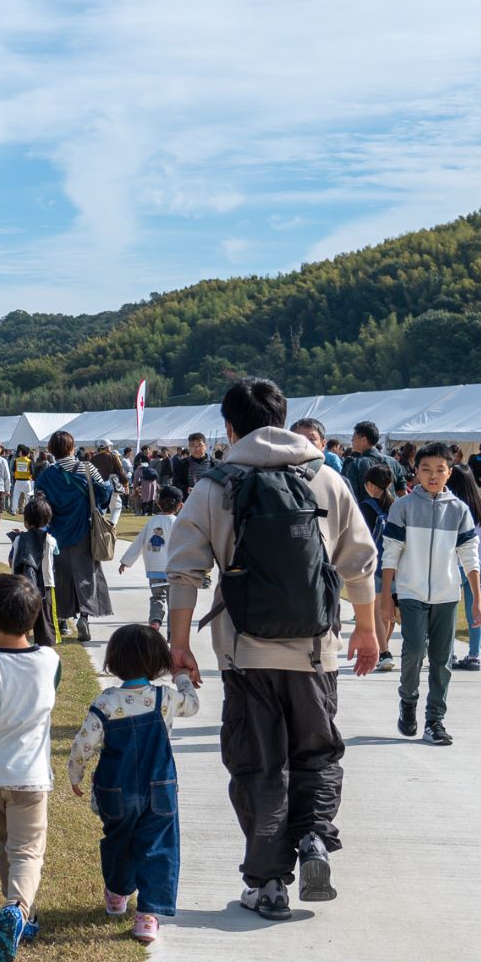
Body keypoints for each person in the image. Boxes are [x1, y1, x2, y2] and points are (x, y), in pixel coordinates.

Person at [166, 377, 379, 923]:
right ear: (284, 421)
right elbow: (359, 560)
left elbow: (185, 569)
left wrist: (180, 644)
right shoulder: (325, 477)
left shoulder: (215, 486)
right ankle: (312, 838)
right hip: (315, 651)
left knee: (258, 765)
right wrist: (367, 629)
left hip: (246, 654)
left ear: (230, 427)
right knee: (317, 754)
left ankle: (267, 884)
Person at [67, 624, 200, 947]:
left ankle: (117, 892)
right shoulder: (164, 698)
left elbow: (83, 744)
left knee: (119, 840)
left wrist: (76, 774)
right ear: (158, 663)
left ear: (113, 661)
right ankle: (148, 915)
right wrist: (181, 676)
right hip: (160, 787)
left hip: (116, 789)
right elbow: (192, 705)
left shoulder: (108, 701)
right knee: (160, 847)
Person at [0, 573, 60, 962]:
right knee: (28, 850)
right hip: (31, 775)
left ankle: (22, 912)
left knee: (4, 844)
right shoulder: (51, 660)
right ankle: (19, 909)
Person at [378, 443, 480, 747]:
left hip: (448, 595)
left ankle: (435, 721)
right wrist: (386, 596)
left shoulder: (459, 510)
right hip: (410, 592)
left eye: (439, 469)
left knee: (441, 660)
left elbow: (470, 556)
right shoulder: (403, 507)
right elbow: (390, 554)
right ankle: (408, 700)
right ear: (416, 471)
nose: (433, 475)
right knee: (412, 652)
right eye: (426, 469)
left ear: (450, 472)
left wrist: (478, 601)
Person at [35, 431, 112, 643]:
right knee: (87, 574)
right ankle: (84, 617)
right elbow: (104, 493)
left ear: (51, 449)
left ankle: (61, 620)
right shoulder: (87, 468)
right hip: (84, 530)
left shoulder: (46, 475)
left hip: (56, 532)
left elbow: (40, 503)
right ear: (72, 447)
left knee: (59, 576)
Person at [444, 464, 481, 670]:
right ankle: (474, 654)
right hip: (480, 561)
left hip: (454, 561)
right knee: (475, 610)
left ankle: (450, 653)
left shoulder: (452, 505)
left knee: (449, 610)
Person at [120, 485, 182, 629]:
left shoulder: (151, 522)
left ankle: (155, 621)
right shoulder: (178, 523)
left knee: (157, 597)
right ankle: (173, 633)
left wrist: (126, 561)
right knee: (174, 602)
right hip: (173, 571)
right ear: (180, 505)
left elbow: (139, 542)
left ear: (158, 503)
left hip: (154, 571)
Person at [357, 466, 400, 671]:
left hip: (373, 563)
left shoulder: (365, 507)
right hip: (395, 564)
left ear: (371, 485)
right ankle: (384, 648)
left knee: (376, 611)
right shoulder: (396, 506)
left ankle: (383, 652)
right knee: (387, 611)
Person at [7, 497, 60, 646]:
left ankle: (22, 649)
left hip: (21, 586)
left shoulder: (19, 540)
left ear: (26, 521)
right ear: (47, 521)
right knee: (46, 624)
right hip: (46, 586)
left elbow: (12, 561)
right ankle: (44, 654)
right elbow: (56, 552)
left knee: (22, 622)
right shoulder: (50, 540)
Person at [342, 421, 405, 499]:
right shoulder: (393, 462)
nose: (352, 441)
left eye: (353, 438)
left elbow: (350, 496)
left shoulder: (355, 464)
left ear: (364, 440)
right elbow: (402, 492)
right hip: (391, 509)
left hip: (364, 510)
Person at [10, 446, 35, 515]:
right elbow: (32, 472)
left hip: (18, 481)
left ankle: (13, 510)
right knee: (28, 498)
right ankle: (28, 511)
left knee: (15, 497)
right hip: (27, 481)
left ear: (21, 452)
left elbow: (13, 470)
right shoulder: (29, 461)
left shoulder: (16, 460)